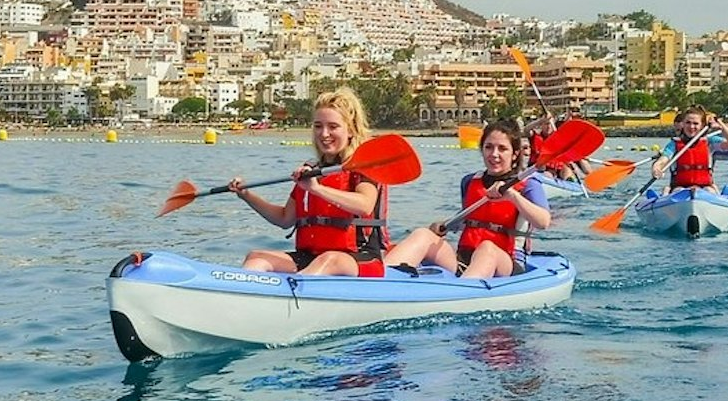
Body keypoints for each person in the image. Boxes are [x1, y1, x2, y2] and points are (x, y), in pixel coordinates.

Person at [227, 87, 388, 276]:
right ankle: (244, 296)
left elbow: (364, 206)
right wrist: (246, 195)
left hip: (360, 258)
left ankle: (296, 295)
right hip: (311, 256)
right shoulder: (311, 170)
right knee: (257, 257)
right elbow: (285, 219)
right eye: (318, 126)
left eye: (333, 127)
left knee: (329, 260)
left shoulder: (364, 167)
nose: (324, 133)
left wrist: (317, 189)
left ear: (351, 130)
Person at [384, 118, 551, 280]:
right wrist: (444, 225)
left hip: (506, 262)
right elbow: (469, 219)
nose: (494, 154)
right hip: (464, 259)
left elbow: (543, 222)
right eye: (488, 147)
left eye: (502, 148)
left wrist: (513, 196)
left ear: (515, 154)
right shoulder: (469, 181)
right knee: (423, 235)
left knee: (487, 249)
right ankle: (380, 281)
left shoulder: (529, 185)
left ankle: (463, 293)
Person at [651, 106, 728, 191]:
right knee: (678, 191)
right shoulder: (674, 144)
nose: (691, 126)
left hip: (705, 188)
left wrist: (721, 125)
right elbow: (663, 160)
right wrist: (656, 168)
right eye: (688, 123)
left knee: (710, 190)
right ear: (683, 124)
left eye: (695, 123)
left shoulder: (710, 142)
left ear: (702, 125)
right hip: (680, 188)